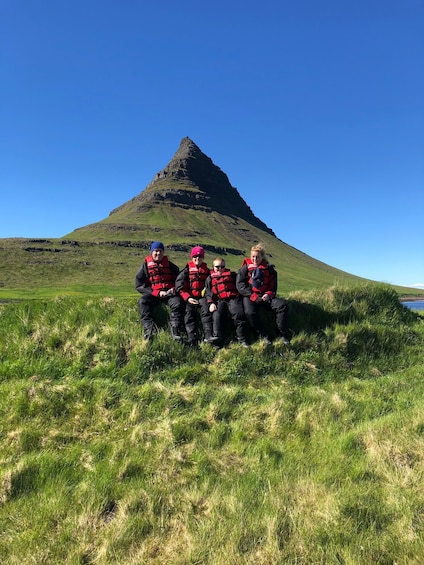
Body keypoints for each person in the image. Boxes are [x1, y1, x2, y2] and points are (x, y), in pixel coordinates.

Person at [236, 243, 290, 345]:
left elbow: (273, 286)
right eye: (253, 257)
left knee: (282, 306)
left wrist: (268, 294)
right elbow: (240, 285)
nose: (255, 259)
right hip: (250, 296)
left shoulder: (270, 269)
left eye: (257, 257)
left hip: (266, 296)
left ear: (262, 257)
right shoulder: (245, 268)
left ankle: (282, 335)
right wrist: (253, 296)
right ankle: (263, 335)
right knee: (249, 313)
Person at [135, 241, 183, 341]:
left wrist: (174, 289)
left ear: (163, 252)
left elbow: (179, 281)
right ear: (151, 252)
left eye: (160, 251)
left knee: (177, 303)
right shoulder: (145, 266)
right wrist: (157, 293)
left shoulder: (171, 266)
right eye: (156, 251)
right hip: (153, 294)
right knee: (142, 301)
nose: (158, 253)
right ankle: (149, 330)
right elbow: (139, 285)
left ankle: (175, 331)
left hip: (169, 294)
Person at [205, 257, 249, 347]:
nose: (220, 269)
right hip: (220, 300)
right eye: (217, 267)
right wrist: (211, 303)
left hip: (234, 298)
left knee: (238, 314)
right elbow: (208, 293)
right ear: (213, 267)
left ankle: (242, 339)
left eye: (222, 266)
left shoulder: (232, 275)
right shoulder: (209, 278)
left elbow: (240, 285)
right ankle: (218, 340)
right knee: (217, 315)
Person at [175, 246, 214, 346]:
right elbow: (179, 286)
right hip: (190, 297)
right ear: (192, 257)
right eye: (195, 256)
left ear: (203, 257)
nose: (197, 258)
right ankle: (192, 339)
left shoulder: (208, 271)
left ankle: (208, 335)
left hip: (202, 298)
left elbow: (211, 286)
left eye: (200, 256)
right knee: (188, 313)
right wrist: (188, 298)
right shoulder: (186, 270)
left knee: (206, 311)